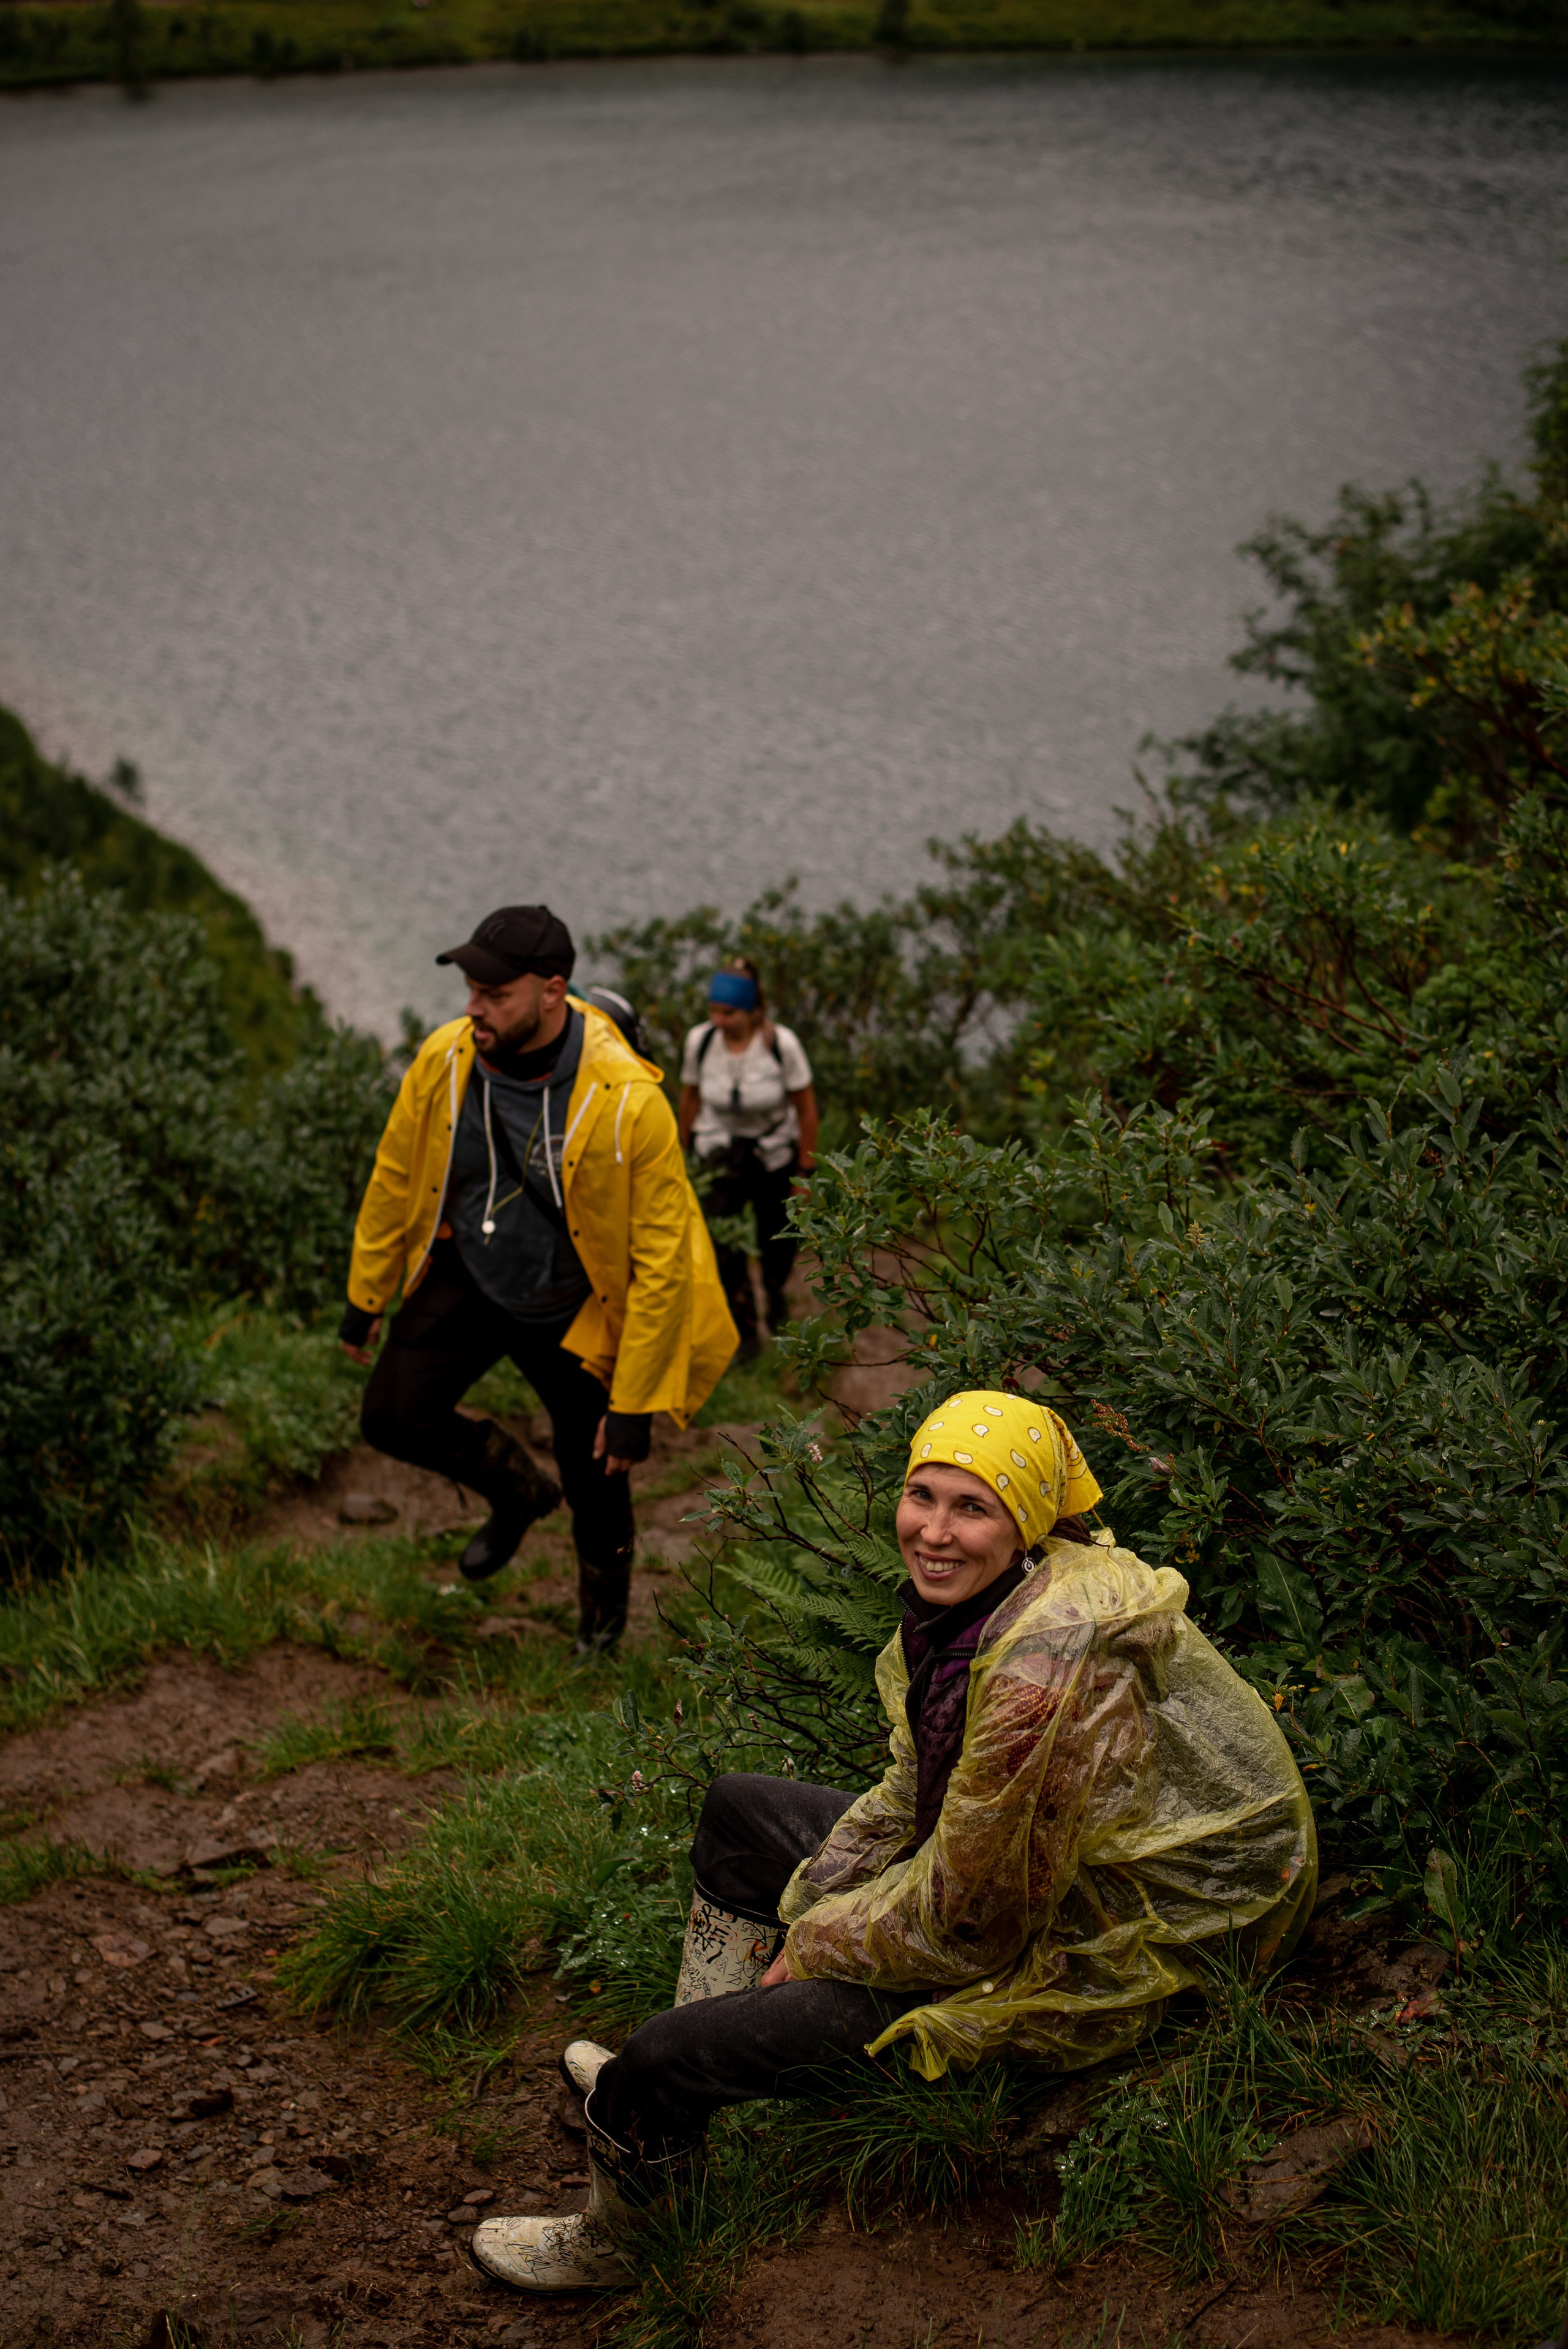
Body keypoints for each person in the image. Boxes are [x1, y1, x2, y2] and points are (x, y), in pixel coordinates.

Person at [469, 1387, 1317, 2294]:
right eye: (924, 1495)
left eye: (973, 1506)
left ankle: (630, 2232)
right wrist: (815, 1898)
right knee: (736, 1808)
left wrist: (816, 1936)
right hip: (1035, 1870)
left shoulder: (1045, 1666)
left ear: (1025, 1516)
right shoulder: (989, 1601)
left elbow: (969, 1923)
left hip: (1107, 1937)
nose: (936, 1531)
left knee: (652, 2066)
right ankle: (701, 2054)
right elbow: (919, 1793)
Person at [339, 905, 737, 1652]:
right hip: (474, 1273)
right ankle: (515, 1492)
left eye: (495, 995)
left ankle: (601, 1632)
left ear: (553, 991)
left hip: (573, 1302)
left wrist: (634, 1402)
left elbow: (660, 1261)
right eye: (470, 990)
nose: (473, 1009)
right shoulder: (447, 1058)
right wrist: (366, 1296)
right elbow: (397, 1173)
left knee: (598, 1474)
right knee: (390, 1416)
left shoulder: (628, 1100)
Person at [677, 959, 819, 1352]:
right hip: (718, 1154)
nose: (718, 1021)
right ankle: (742, 1331)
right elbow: (689, 1096)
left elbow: (806, 1108)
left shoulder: (781, 1045)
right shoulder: (700, 1041)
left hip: (773, 1157)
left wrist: (805, 1172)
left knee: (776, 1240)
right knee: (724, 1246)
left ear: (752, 1010)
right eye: (713, 1011)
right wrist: (682, 1151)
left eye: (729, 1013)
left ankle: (774, 1300)